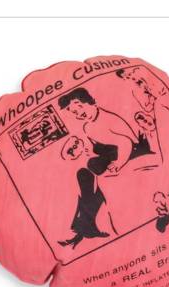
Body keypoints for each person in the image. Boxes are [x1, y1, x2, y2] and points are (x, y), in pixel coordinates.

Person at [57, 88, 153, 249]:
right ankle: (84, 227)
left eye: (79, 108)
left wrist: (119, 164)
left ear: (90, 102)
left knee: (89, 173)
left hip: (130, 153)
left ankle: (83, 227)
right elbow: (102, 148)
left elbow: (125, 143)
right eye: (74, 113)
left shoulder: (106, 120)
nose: (79, 114)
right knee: (84, 175)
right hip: (112, 157)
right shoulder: (89, 127)